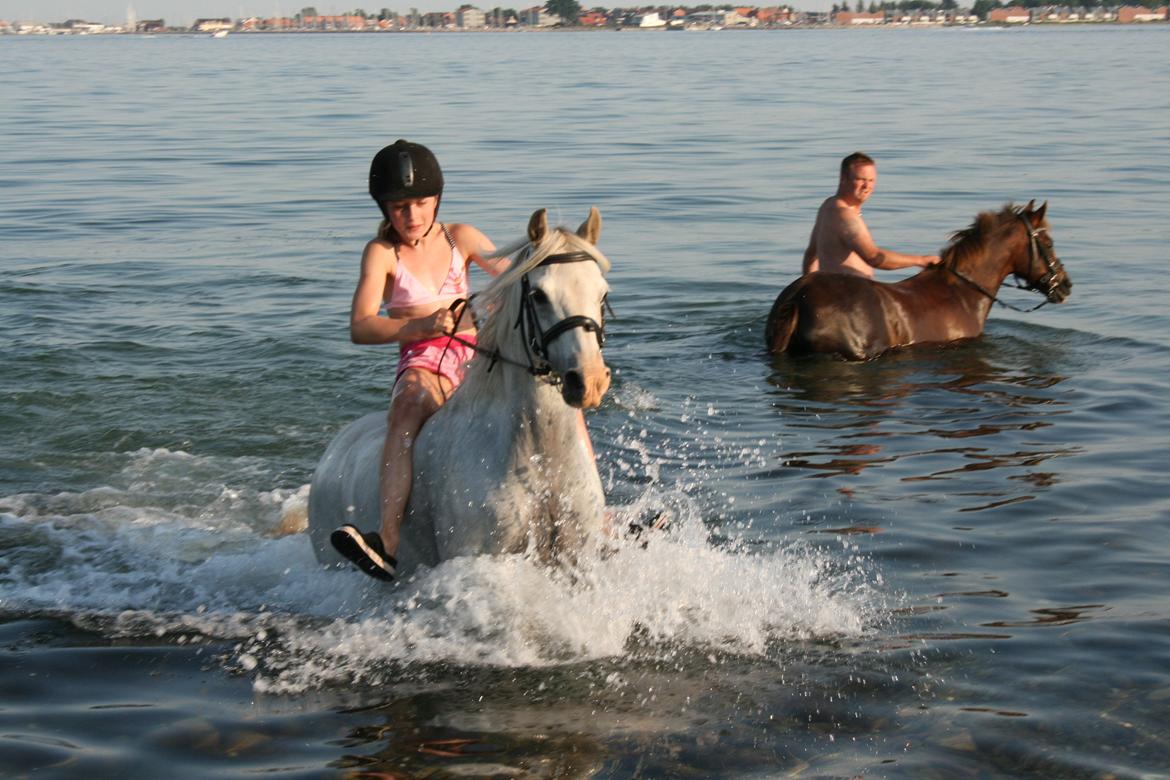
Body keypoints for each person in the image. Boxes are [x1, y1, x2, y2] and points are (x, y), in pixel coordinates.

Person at [330, 140, 507, 581]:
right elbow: (361, 325)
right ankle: (386, 542)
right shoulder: (382, 253)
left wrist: (490, 307)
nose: (412, 216)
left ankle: (599, 522)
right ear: (385, 208)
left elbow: (513, 279)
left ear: (437, 200)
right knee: (406, 407)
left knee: (553, 399)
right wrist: (420, 326)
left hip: (481, 354)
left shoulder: (460, 238)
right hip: (425, 361)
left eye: (422, 204)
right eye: (399, 206)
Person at [802, 152, 940, 278]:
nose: (867, 186)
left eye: (871, 180)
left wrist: (810, 286)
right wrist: (921, 261)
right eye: (860, 179)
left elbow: (810, 255)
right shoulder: (845, 215)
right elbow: (873, 257)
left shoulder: (828, 206)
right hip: (851, 296)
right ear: (843, 179)